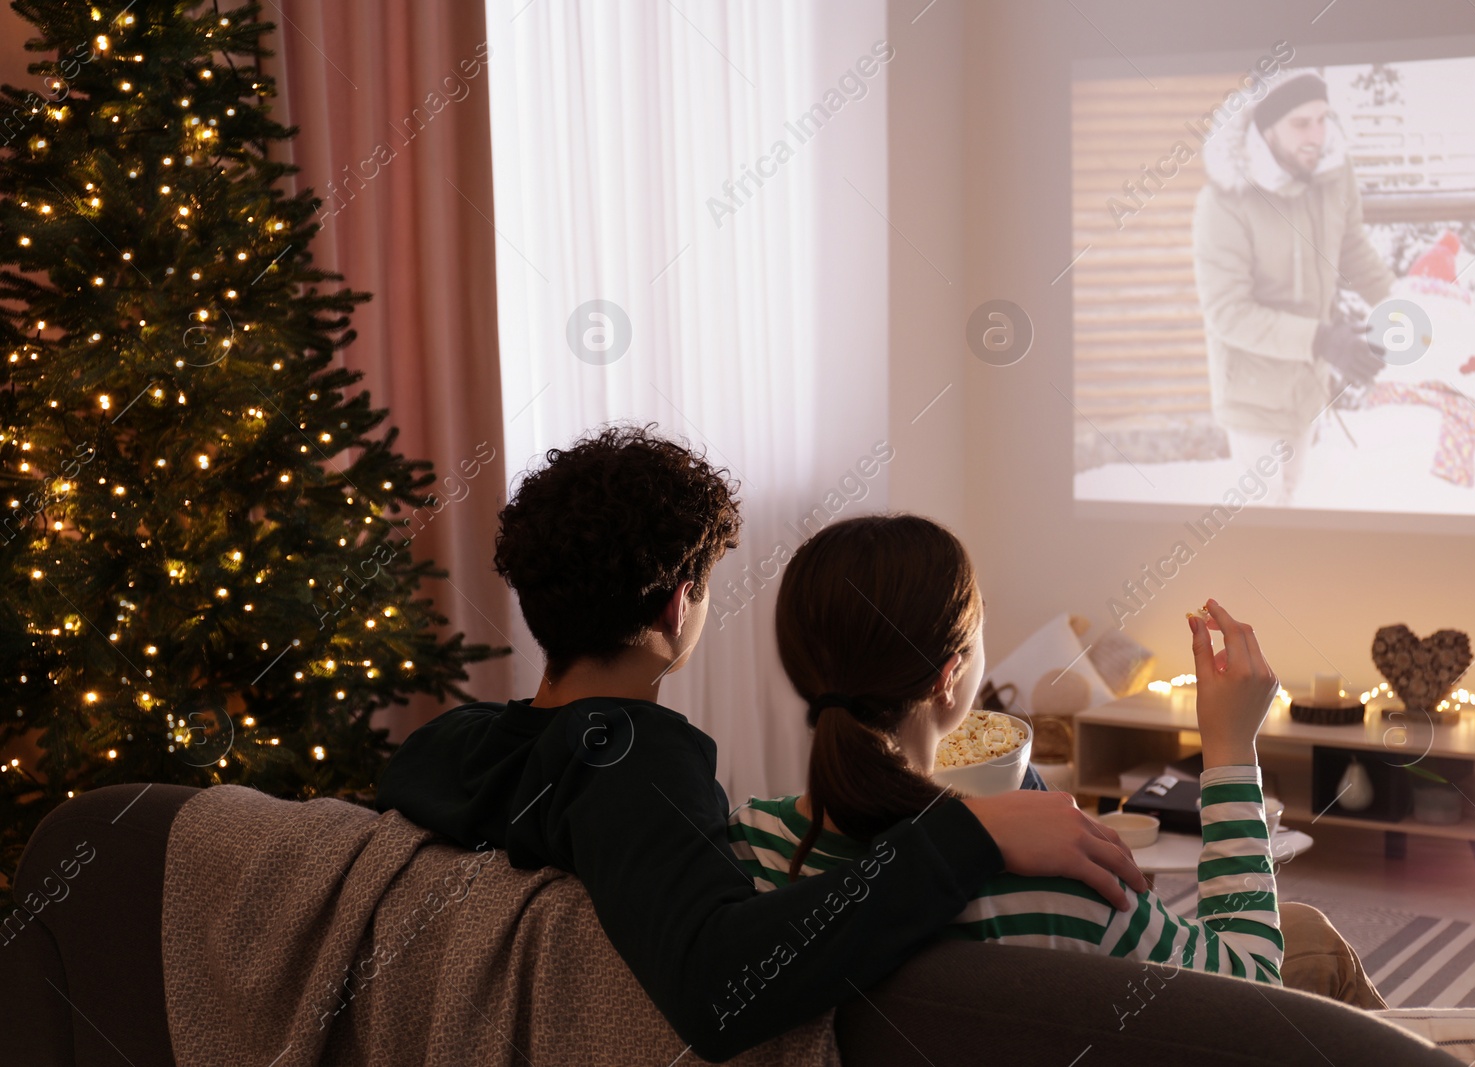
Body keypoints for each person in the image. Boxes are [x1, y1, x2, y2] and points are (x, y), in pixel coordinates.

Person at [373, 424, 1150, 1061]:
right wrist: (969, 831)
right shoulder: (635, 758)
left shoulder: (447, 747)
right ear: (681, 606)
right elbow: (724, 982)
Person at [728, 514, 1386, 1006]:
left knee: (1302, 928)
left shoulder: (743, 847)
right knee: (1312, 949)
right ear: (949, 677)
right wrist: (1231, 748)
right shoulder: (1058, 885)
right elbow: (1248, 988)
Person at [1194, 70, 1397, 505]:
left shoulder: (1332, 176)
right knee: (1263, 516)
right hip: (1252, 390)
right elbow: (1228, 313)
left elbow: (1352, 247)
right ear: (1266, 128)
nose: (1317, 135)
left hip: (1306, 386)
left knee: (1286, 498)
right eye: (1300, 124)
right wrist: (1322, 339)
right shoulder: (1225, 202)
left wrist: (1400, 305)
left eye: (1322, 119)